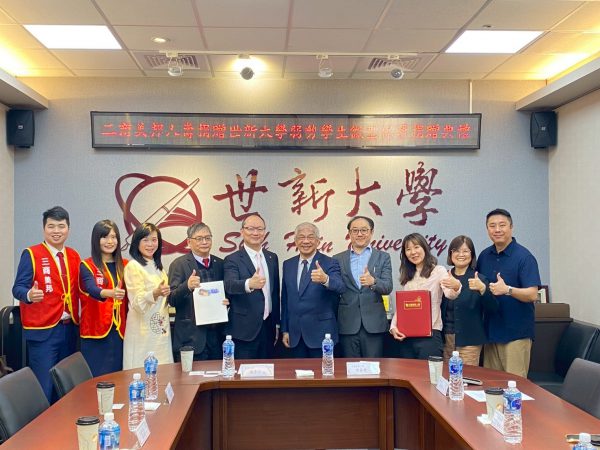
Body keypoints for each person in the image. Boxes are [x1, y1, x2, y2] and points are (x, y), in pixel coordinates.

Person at [11, 206, 80, 402]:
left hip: (70, 329)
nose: (56, 231)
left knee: (67, 387)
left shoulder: (73, 255)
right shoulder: (31, 254)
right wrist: (29, 295)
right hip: (44, 332)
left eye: (61, 226)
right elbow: (17, 288)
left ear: (68, 229)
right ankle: (43, 422)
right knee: (44, 386)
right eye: (51, 226)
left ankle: (65, 420)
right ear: (44, 229)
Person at [477, 208, 541, 378]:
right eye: (492, 226)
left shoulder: (524, 257)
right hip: (491, 332)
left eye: (502, 225)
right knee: (492, 385)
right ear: (487, 229)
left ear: (511, 227)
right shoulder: (484, 256)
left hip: (516, 334)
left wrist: (508, 290)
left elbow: (533, 294)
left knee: (515, 385)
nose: (497, 229)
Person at [389, 232, 459, 359]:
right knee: (407, 371)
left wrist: (456, 285)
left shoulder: (438, 271)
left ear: (425, 248)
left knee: (430, 371)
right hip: (407, 336)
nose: (413, 252)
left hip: (430, 335)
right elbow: (402, 308)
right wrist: (393, 326)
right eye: (408, 249)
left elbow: (450, 294)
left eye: (416, 247)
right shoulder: (408, 276)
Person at [281, 223, 345, 357]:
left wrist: (325, 279)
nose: (305, 241)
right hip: (295, 335)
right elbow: (286, 299)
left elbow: (340, 287)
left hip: (322, 334)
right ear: (295, 241)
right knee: (297, 370)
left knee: (323, 371)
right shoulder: (288, 264)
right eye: (301, 237)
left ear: (318, 241)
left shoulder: (330, 262)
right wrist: (285, 330)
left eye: (310, 237)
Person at [168, 222, 229, 361]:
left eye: (208, 238)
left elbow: (227, 292)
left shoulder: (220, 264)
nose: (204, 242)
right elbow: (171, 299)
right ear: (189, 242)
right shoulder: (179, 264)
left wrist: (227, 301)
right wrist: (187, 286)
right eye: (199, 238)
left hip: (217, 337)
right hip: (190, 338)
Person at [334, 216, 393, 358]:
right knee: (349, 367)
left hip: (374, 323)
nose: (359, 234)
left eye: (364, 230)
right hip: (348, 323)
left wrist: (373, 281)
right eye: (355, 230)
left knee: (374, 367)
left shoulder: (383, 257)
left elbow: (387, 287)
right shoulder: (337, 259)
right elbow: (336, 288)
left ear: (371, 232)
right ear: (349, 233)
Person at [223, 214, 280, 359]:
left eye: (260, 229)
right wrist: (249, 284)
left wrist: (277, 324)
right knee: (244, 371)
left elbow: (274, 293)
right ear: (242, 232)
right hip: (244, 330)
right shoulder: (232, 259)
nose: (255, 233)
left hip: (268, 328)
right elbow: (229, 285)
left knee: (268, 371)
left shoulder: (272, 257)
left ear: (264, 232)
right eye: (251, 229)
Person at [79, 220, 128, 376]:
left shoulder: (126, 265)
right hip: (95, 332)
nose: (110, 241)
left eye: (113, 237)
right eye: (104, 237)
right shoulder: (87, 265)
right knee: (96, 379)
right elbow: (91, 289)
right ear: (96, 239)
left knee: (118, 377)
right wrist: (110, 293)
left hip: (119, 331)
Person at [440, 235, 498, 366]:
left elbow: (493, 308)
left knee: (467, 376)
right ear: (450, 254)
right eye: (456, 251)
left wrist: (483, 289)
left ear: (472, 255)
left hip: (470, 340)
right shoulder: (444, 277)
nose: (461, 254)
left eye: (465, 251)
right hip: (446, 339)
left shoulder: (479, 279)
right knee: (447, 376)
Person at [122, 222, 172, 370]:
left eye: (154, 240)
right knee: (141, 374)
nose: (150, 244)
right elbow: (137, 303)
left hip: (160, 332)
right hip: (142, 333)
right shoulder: (133, 266)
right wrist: (155, 293)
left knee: (163, 373)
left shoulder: (158, 267)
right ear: (137, 242)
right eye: (145, 240)